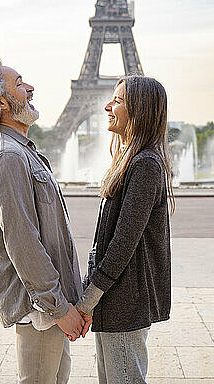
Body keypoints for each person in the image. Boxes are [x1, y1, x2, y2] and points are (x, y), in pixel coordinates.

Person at [0, 57, 89, 384]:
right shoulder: (8, 155)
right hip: (42, 311)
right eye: (20, 83)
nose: (30, 87)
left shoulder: (19, 150)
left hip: (49, 304)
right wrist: (59, 308)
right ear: (1, 102)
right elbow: (23, 244)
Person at [76, 75, 173, 383]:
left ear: (139, 110)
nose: (107, 106)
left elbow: (122, 243)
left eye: (117, 101)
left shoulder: (145, 164)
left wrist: (88, 297)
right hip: (117, 298)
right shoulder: (131, 159)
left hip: (125, 301)